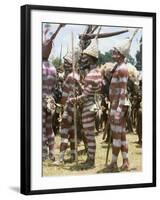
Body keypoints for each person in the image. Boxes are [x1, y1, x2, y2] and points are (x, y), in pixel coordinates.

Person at [69, 39, 103, 168]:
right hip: (94, 104)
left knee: (89, 135)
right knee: (89, 135)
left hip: (89, 106)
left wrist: (72, 100)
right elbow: (89, 91)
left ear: (90, 58)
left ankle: (91, 160)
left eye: (85, 57)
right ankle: (90, 159)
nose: (83, 59)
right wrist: (79, 84)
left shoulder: (91, 75)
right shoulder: (97, 73)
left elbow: (85, 96)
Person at [107, 32, 137, 171]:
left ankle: (113, 163)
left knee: (117, 135)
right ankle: (125, 162)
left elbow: (123, 91)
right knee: (122, 135)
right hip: (115, 104)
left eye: (115, 51)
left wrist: (118, 110)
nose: (113, 52)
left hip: (119, 106)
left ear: (120, 53)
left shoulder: (123, 68)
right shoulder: (117, 67)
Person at [53, 50, 82, 165]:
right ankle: (74, 156)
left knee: (64, 132)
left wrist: (60, 108)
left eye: (66, 62)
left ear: (71, 64)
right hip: (76, 109)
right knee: (73, 132)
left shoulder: (70, 76)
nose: (64, 64)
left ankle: (60, 158)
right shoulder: (77, 76)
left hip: (69, 108)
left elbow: (64, 97)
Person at [42, 24, 64, 161]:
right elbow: (55, 86)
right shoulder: (53, 68)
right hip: (50, 100)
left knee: (41, 127)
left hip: (40, 99)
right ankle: (51, 153)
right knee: (49, 127)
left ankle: (43, 154)